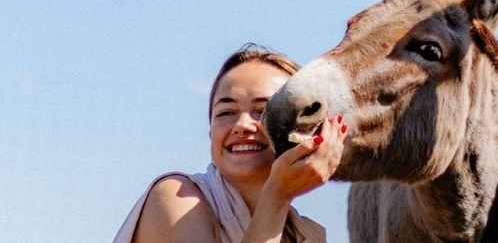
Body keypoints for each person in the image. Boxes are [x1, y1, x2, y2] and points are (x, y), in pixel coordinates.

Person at [114, 43, 347, 243]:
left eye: (264, 110)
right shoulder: (176, 196)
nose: (242, 124)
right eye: (226, 112)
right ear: (210, 133)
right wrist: (276, 195)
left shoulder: (299, 233)